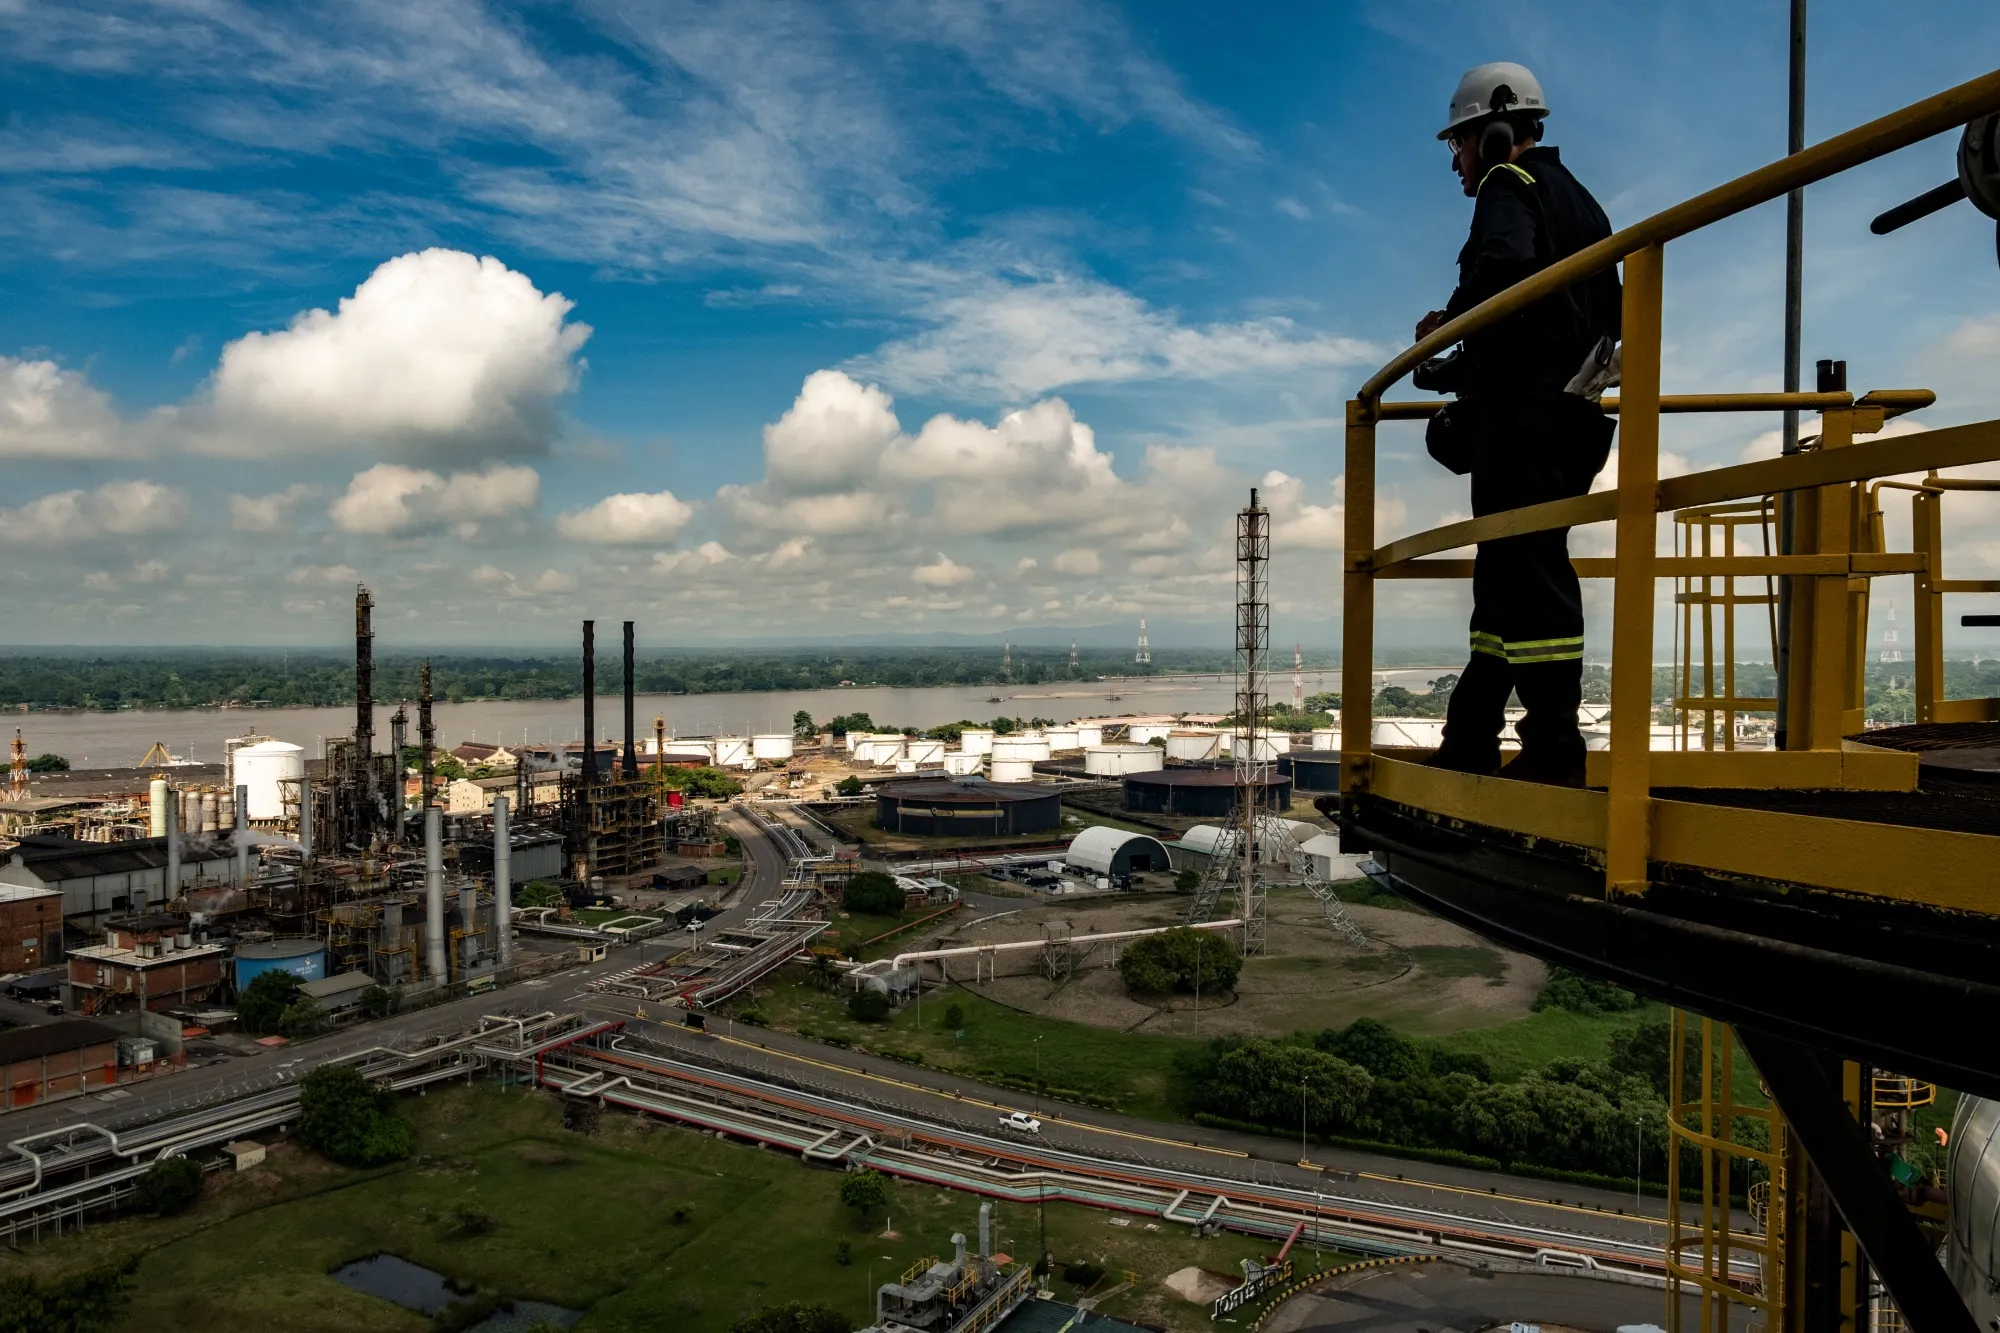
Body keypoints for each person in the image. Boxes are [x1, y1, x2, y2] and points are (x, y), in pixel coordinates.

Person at [1414, 62, 1621, 785]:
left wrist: (1444, 327)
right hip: (1572, 413)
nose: (1456, 163)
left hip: (1528, 422)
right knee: (1507, 576)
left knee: (1531, 575)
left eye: (1460, 144)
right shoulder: (1582, 204)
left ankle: (1553, 749)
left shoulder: (1511, 185)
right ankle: (1471, 732)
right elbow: (1545, 323)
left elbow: (1502, 276)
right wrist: (1458, 367)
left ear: (1495, 130)